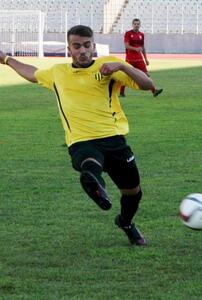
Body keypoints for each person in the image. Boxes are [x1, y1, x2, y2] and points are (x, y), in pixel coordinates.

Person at [0, 25, 158, 246]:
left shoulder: (108, 65)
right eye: (77, 46)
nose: (82, 50)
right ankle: (94, 183)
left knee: (133, 193)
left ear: (93, 45)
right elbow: (31, 73)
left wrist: (122, 66)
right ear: (69, 48)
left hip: (114, 139)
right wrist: (6, 59)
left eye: (87, 45)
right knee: (88, 162)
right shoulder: (58, 73)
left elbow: (148, 84)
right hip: (81, 140)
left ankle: (126, 222)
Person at [120, 18, 163, 98]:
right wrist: (135, 49)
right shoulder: (128, 33)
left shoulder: (141, 35)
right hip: (130, 59)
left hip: (139, 59)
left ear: (140, 25)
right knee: (126, 75)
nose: (136, 25)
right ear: (132, 25)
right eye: (135, 24)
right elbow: (126, 46)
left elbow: (143, 47)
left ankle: (154, 91)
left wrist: (146, 58)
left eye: (138, 24)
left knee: (146, 75)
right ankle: (121, 92)